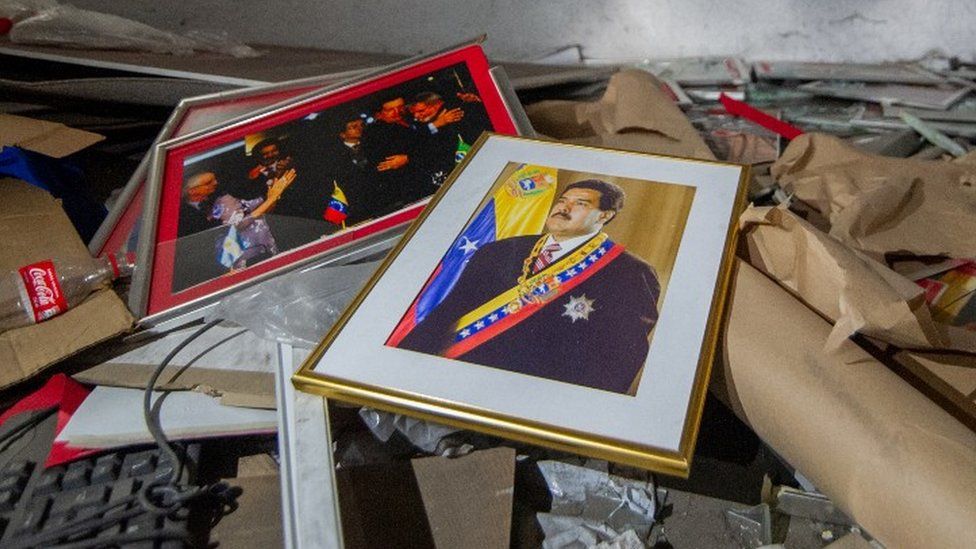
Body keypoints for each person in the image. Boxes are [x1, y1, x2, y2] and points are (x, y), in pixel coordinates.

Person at [397, 179, 661, 394]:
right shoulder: (500, 250)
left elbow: (617, 359)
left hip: (529, 397)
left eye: (580, 204)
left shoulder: (629, 272)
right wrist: (400, 365)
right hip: (453, 378)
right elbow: (449, 310)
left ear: (604, 215)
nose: (564, 209)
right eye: (562, 201)